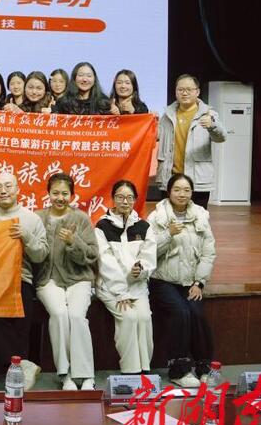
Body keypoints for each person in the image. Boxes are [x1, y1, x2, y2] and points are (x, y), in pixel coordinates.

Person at [0, 171, 49, 389]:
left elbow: (41, 255)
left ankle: (18, 371)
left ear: (17, 190)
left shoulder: (31, 219)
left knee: (20, 321)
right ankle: (22, 365)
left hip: (20, 277)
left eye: (8, 186)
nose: (3, 191)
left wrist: (26, 236)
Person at [148, 173, 216, 388]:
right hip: (162, 280)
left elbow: (208, 253)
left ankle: (204, 367)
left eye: (186, 190)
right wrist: (168, 234)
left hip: (190, 282)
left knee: (197, 312)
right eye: (177, 189)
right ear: (168, 192)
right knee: (181, 312)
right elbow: (148, 253)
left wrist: (199, 282)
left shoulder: (200, 216)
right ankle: (179, 369)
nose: (182, 194)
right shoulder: (157, 217)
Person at [35, 173, 99, 390]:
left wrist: (74, 242)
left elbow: (92, 254)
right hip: (48, 279)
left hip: (78, 278)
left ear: (72, 195)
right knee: (60, 314)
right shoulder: (38, 217)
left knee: (77, 316)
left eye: (64, 193)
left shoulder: (81, 218)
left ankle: (86, 375)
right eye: (55, 193)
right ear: (48, 193)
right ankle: (66, 374)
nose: (60, 198)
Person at [94, 180, 156, 375]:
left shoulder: (144, 227)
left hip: (137, 287)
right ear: (113, 199)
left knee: (144, 318)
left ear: (135, 200)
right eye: (120, 197)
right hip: (111, 288)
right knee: (129, 317)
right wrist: (121, 291)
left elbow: (149, 257)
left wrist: (141, 270)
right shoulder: (102, 226)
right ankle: (130, 371)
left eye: (129, 198)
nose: (125, 201)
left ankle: (145, 369)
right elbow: (106, 263)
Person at [155, 75, 225, 208]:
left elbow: (221, 137)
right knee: (167, 218)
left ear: (197, 92)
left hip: (197, 180)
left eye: (189, 89)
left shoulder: (208, 114)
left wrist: (212, 125)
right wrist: (151, 123)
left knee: (197, 218)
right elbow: (155, 136)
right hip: (170, 178)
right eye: (180, 89)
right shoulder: (167, 114)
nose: (184, 93)